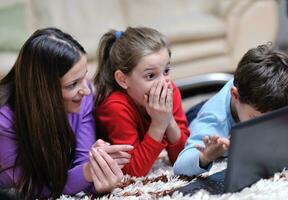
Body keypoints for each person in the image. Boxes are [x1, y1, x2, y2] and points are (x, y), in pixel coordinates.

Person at [0, 27, 133, 199]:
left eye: (84, 77)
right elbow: (31, 189)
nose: (86, 90)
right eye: (73, 84)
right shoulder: (4, 120)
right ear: (43, 91)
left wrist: (97, 166)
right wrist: (87, 172)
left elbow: (82, 162)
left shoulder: (82, 98)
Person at [173, 44, 288, 176]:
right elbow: (179, 167)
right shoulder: (214, 121)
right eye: (255, 118)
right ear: (235, 95)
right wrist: (206, 157)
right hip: (194, 114)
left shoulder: (255, 90)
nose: (264, 128)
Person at [94, 27, 190, 177]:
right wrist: (158, 124)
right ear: (123, 79)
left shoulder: (170, 90)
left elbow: (185, 158)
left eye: (166, 71)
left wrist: (169, 120)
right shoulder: (114, 107)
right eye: (151, 76)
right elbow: (132, 172)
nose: (164, 83)